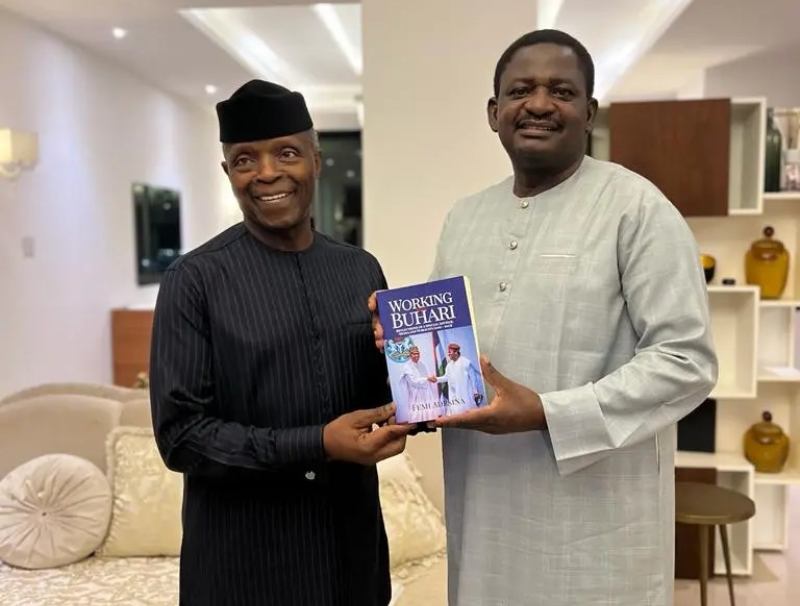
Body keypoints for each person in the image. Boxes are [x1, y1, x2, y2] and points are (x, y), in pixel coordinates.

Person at [370, 29, 717, 606]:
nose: (537, 104)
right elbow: (447, 358)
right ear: (493, 112)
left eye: (561, 90)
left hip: (597, 523)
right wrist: (401, 345)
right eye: (519, 90)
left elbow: (687, 363)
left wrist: (548, 413)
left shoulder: (637, 209)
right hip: (486, 511)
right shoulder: (465, 217)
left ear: (589, 112)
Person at [150, 79, 412, 606]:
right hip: (245, 568)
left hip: (350, 561)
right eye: (245, 160)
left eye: (286, 153)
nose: (267, 172)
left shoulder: (360, 269)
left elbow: (382, 398)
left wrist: (412, 362)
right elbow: (182, 437)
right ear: (228, 173)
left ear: (316, 161)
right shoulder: (194, 279)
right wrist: (317, 444)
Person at [433, 343, 483, 415]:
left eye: (450, 352)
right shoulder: (449, 365)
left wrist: (475, 392)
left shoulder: (466, 362)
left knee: (468, 415)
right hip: (454, 396)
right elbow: (446, 377)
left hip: (465, 395)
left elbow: (473, 378)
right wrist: (436, 379)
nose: (448, 354)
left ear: (456, 352)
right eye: (448, 352)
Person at [398, 345, 440, 422]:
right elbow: (413, 381)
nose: (416, 355)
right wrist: (427, 378)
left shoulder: (423, 364)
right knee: (417, 416)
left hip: (426, 392)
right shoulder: (407, 367)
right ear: (410, 355)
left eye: (417, 353)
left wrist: (432, 379)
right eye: (414, 354)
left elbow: (428, 376)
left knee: (429, 415)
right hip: (415, 394)